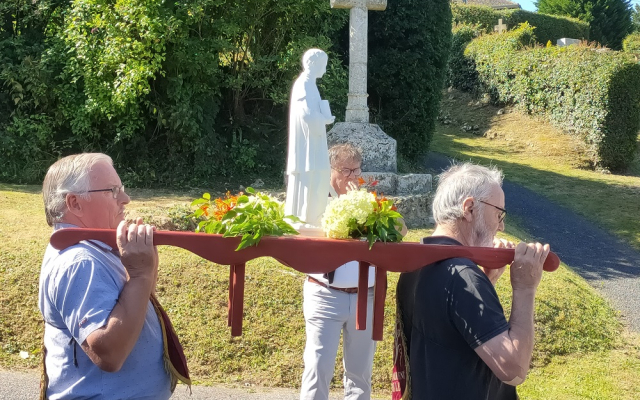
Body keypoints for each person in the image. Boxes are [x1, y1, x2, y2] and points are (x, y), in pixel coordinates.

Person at [38, 153, 189, 400]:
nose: (125, 199)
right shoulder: (80, 261)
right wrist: (139, 275)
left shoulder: (93, 248)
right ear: (75, 203)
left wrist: (146, 269)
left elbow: (135, 308)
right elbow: (109, 354)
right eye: (113, 191)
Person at [394, 162, 550, 400]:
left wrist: (487, 280)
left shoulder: (415, 265)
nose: (501, 225)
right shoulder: (463, 277)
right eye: (498, 214)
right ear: (469, 209)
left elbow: (448, 333)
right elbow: (513, 370)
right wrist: (525, 288)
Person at [300, 143, 406, 400]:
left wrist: (369, 208)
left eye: (356, 170)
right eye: (345, 171)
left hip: (365, 296)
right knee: (318, 367)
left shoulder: (368, 202)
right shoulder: (316, 201)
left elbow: (401, 230)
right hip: (325, 293)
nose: (352, 177)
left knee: (360, 374)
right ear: (331, 171)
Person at [285, 48, 335, 228]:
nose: (325, 69)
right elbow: (306, 114)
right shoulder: (304, 84)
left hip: (314, 139)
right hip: (307, 142)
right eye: (324, 65)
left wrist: (322, 118)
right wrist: (324, 119)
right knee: (311, 174)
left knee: (319, 173)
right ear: (313, 64)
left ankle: (313, 217)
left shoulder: (310, 84)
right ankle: (305, 217)